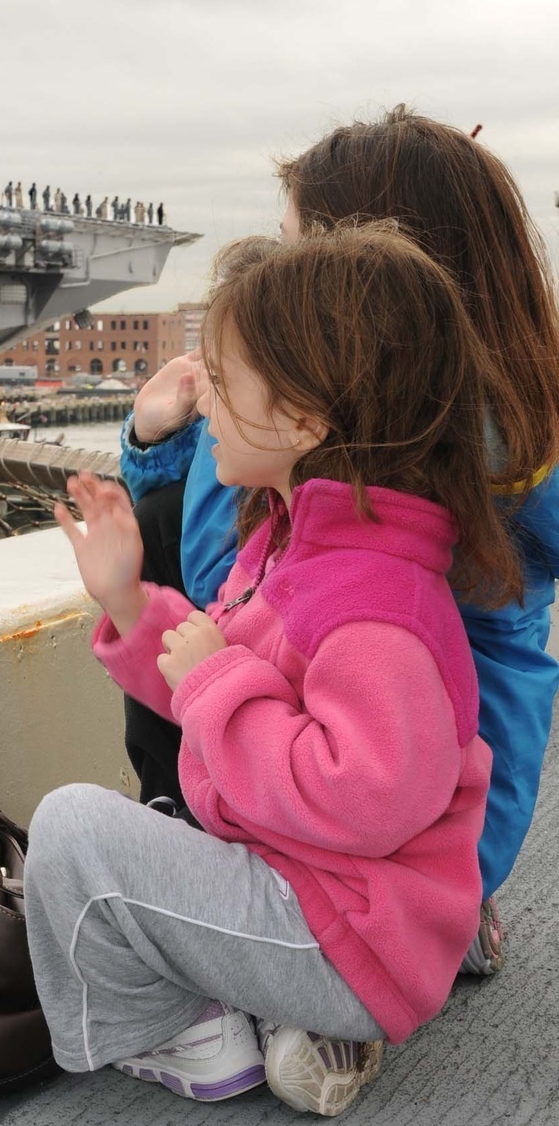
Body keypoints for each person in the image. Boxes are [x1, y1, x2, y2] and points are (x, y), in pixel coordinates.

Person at [31, 223, 515, 1114]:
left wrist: (217, 685)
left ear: (303, 418)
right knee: (155, 819)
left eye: (220, 379)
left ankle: (186, 1034)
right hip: (334, 914)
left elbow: (366, 794)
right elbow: (226, 661)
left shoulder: (371, 601)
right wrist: (134, 603)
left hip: (344, 934)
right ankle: (281, 1016)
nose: (204, 403)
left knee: (71, 835)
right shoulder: (313, 543)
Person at [120, 107, 559, 978]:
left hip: (363, 856)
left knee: (170, 563)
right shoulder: (493, 438)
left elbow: (228, 583)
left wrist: (164, 445)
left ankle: (210, 874)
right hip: (450, 836)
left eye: (292, 252)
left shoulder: (376, 478)